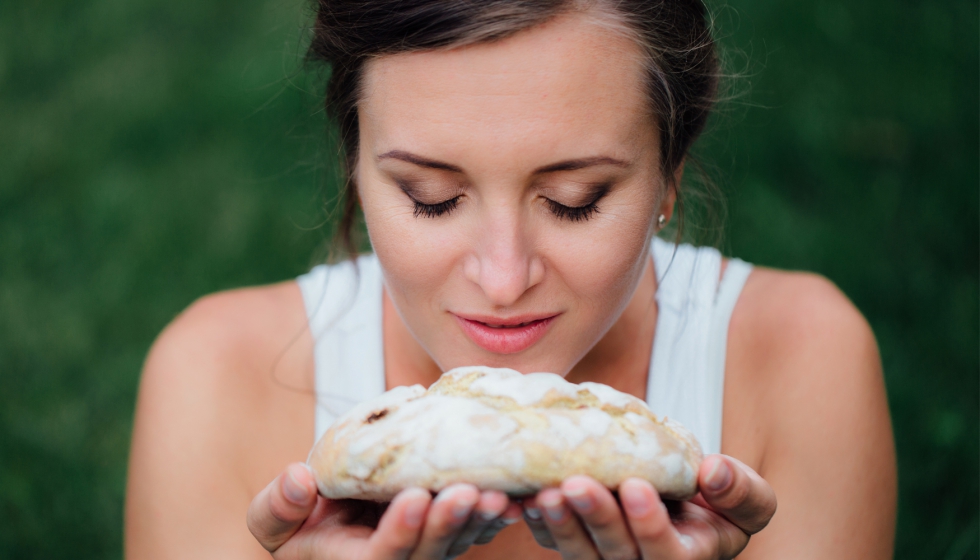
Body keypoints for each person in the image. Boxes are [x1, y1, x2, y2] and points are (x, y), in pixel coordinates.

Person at [124, 1, 897, 558]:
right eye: (433, 199)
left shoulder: (800, 358)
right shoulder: (217, 378)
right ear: (355, 168)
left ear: (669, 177)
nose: (502, 278)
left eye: (574, 201)